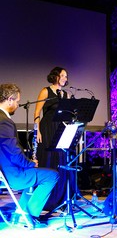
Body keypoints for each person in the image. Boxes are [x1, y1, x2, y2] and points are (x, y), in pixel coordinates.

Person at [0, 83, 59, 229]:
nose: (18, 105)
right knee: (53, 175)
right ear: (9, 100)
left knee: (37, 176)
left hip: (7, 171)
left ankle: (21, 212)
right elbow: (14, 155)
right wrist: (31, 163)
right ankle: (30, 215)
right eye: (17, 101)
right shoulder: (4, 122)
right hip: (14, 174)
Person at [33, 66, 73, 211]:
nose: (65, 79)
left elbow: (68, 115)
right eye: (63, 75)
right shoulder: (45, 91)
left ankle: (61, 199)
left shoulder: (66, 95)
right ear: (55, 76)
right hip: (47, 128)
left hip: (60, 129)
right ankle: (46, 200)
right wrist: (37, 131)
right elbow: (37, 112)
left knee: (61, 161)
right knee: (48, 160)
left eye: (66, 76)